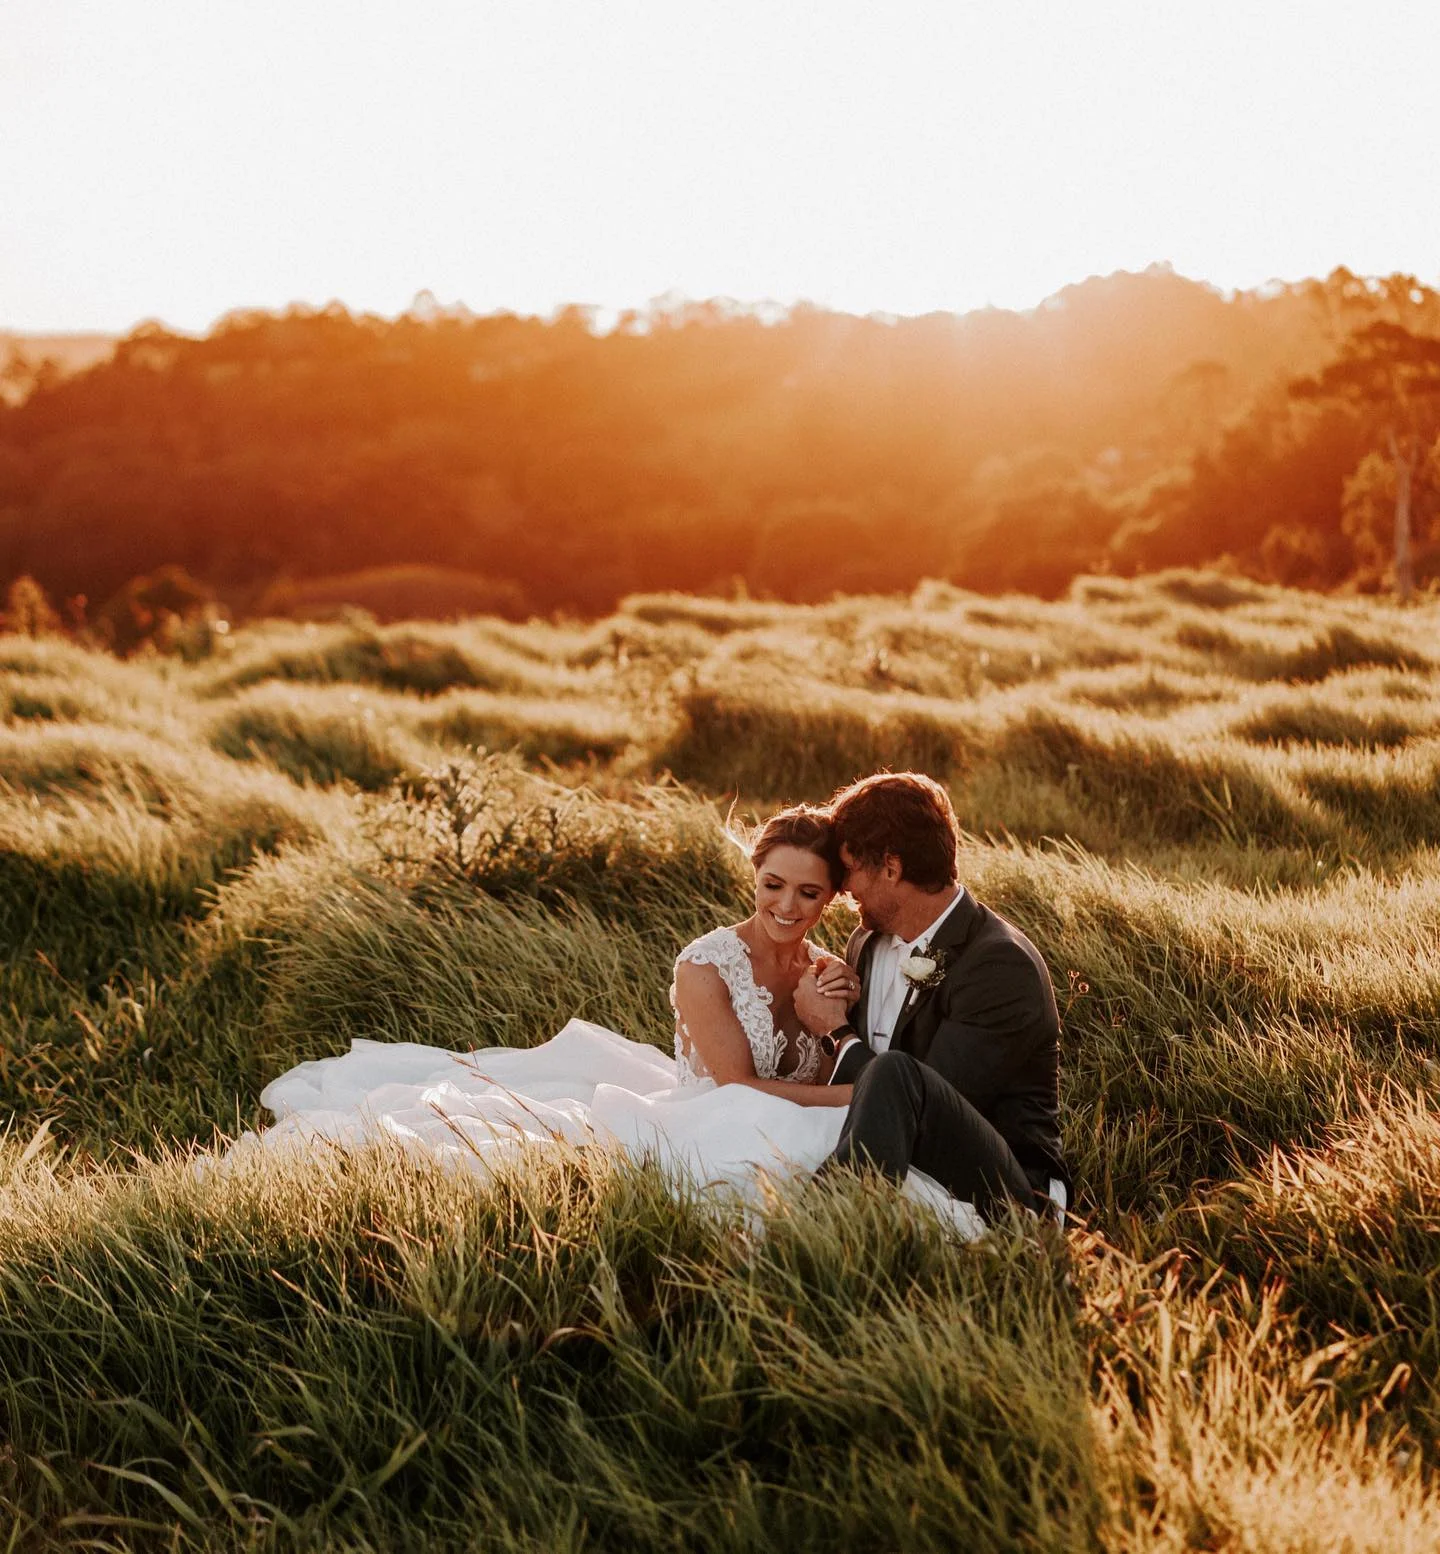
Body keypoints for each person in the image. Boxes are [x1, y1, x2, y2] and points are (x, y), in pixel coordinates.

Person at [227, 802, 985, 1236]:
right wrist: (875, 1093)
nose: (787, 907)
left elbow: (811, 1068)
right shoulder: (705, 966)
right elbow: (737, 1084)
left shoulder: (830, 969)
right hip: (715, 1110)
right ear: (752, 877)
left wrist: (829, 1032)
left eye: (809, 894)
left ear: (831, 899)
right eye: (772, 885)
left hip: (785, 1113)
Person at [793, 772, 1070, 1222]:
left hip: (1007, 1190)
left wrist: (836, 1031)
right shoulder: (865, 942)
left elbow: (923, 1101)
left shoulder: (1000, 965)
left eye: (849, 868)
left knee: (898, 1072)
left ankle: (816, 1230)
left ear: (890, 867)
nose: (842, 887)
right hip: (882, 1157)